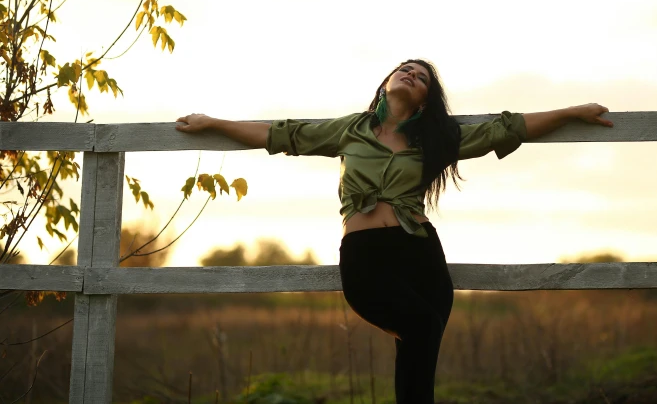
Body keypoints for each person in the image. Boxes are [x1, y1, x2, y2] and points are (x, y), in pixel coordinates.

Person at [175, 59, 613, 403]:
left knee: (418, 367)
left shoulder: (436, 140)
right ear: (386, 84)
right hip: (366, 256)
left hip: (420, 254)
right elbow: (282, 134)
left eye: (420, 77)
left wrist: (572, 111)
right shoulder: (351, 129)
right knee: (420, 329)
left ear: (424, 101)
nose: (410, 74)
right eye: (404, 69)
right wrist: (215, 123)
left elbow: (508, 128)